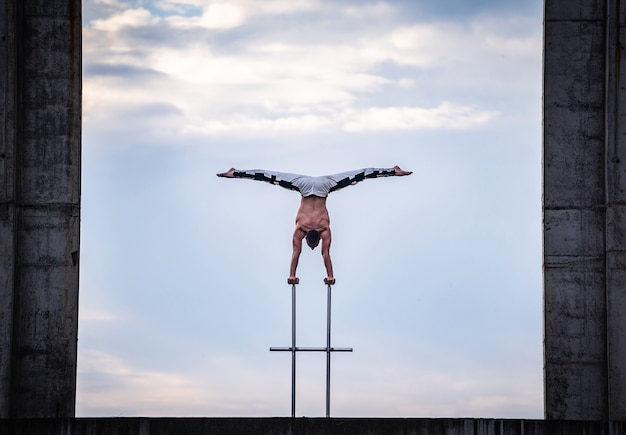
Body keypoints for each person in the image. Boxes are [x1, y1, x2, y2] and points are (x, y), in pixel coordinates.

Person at [217, 166, 412, 285]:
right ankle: (393, 171)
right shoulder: (303, 228)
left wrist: (307, 275)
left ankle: (235, 173)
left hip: (320, 185)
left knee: (270, 177)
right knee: (272, 178)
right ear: (315, 238)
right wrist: (323, 276)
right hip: (310, 185)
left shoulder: (320, 228)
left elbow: (302, 254)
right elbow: (322, 255)